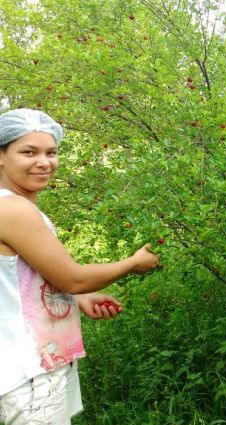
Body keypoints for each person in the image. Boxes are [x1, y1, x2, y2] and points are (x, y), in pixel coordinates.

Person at [0, 108, 160, 425]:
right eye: (28, 152)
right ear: (1, 156)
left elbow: (18, 281)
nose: (44, 162)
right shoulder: (12, 209)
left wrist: (76, 299)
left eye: (51, 152)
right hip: (31, 371)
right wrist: (133, 263)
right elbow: (73, 278)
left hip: (32, 365)